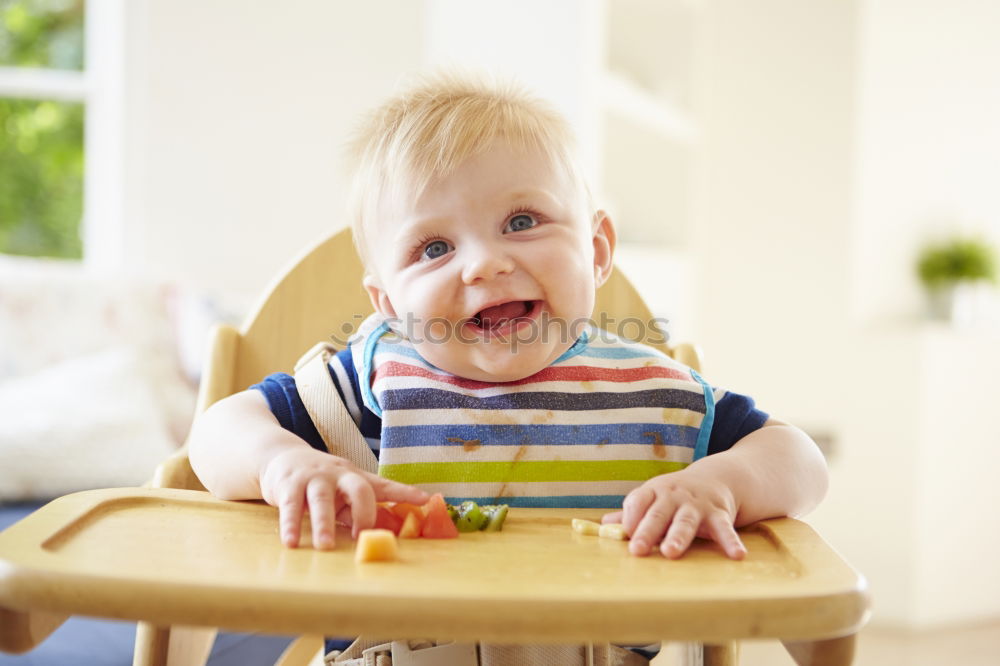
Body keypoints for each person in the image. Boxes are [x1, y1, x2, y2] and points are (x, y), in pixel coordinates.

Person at [188, 71, 828, 661]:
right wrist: (284, 464)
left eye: (521, 221)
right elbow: (218, 431)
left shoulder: (653, 398)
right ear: (387, 305)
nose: (483, 264)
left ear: (597, 249)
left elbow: (798, 460)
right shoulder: (366, 389)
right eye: (434, 247)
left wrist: (719, 485)